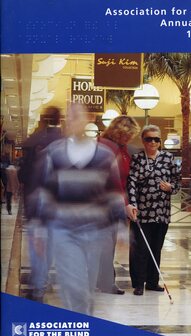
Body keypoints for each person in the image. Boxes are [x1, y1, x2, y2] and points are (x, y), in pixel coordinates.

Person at [28, 103, 126, 314]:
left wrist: (123, 229)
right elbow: (46, 191)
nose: (72, 121)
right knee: (75, 286)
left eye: (77, 116)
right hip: (64, 230)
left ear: (87, 119)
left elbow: (113, 192)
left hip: (95, 231)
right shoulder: (55, 153)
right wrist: (39, 227)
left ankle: (83, 324)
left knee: (88, 288)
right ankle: (80, 326)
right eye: (69, 117)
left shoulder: (104, 155)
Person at [127, 125, 181, 295]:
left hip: (161, 213)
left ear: (160, 141)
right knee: (140, 249)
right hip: (141, 213)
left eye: (156, 139)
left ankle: (152, 281)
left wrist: (171, 188)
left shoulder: (168, 158)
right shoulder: (137, 158)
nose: (153, 142)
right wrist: (132, 204)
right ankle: (138, 283)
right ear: (143, 140)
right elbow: (131, 183)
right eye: (149, 139)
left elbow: (178, 183)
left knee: (156, 248)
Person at [19, 106, 63, 302]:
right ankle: (40, 284)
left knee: (38, 247)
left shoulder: (36, 141)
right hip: (59, 205)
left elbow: (24, 174)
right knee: (49, 247)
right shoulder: (65, 141)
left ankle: (38, 287)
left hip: (38, 203)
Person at [97, 115, 140, 295]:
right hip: (102, 203)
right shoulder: (105, 147)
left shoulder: (120, 148)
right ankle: (106, 282)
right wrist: (125, 204)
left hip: (115, 202)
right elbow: (111, 180)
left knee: (107, 243)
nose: (130, 138)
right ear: (119, 132)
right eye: (128, 135)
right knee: (105, 243)